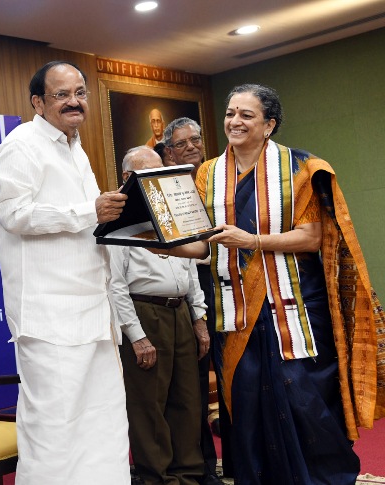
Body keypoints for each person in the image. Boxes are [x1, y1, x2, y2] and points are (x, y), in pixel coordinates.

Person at [167, 83, 385, 484]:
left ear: (269, 125)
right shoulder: (208, 173)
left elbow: (313, 236)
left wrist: (252, 242)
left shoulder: (299, 169)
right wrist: (162, 247)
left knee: (304, 397)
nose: (234, 121)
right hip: (235, 313)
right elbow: (203, 245)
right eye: (230, 113)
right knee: (247, 401)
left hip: (297, 308)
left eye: (246, 115)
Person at [0, 60, 130, 485]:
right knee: (55, 432)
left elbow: (89, 224)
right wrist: (89, 211)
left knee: (102, 427)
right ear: (38, 102)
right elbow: (14, 215)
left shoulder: (75, 146)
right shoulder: (21, 145)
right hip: (51, 321)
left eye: (80, 92)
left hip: (93, 314)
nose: (75, 102)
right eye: (62, 94)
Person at [109, 146, 209, 485]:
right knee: (149, 405)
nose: (158, 180)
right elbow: (115, 285)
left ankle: (189, 475)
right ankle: (158, 478)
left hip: (180, 311)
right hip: (145, 313)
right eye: (149, 173)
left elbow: (190, 267)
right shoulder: (118, 219)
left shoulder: (170, 209)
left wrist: (199, 318)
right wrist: (136, 337)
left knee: (187, 400)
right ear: (128, 178)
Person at [163, 117, 223, 485]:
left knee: (232, 377)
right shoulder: (167, 187)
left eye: (196, 140)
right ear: (168, 150)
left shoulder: (215, 180)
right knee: (195, 385)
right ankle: (203, 465)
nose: (191, 147)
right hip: (189, 287)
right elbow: (181, 248)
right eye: (182, 143)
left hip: (226, 286)